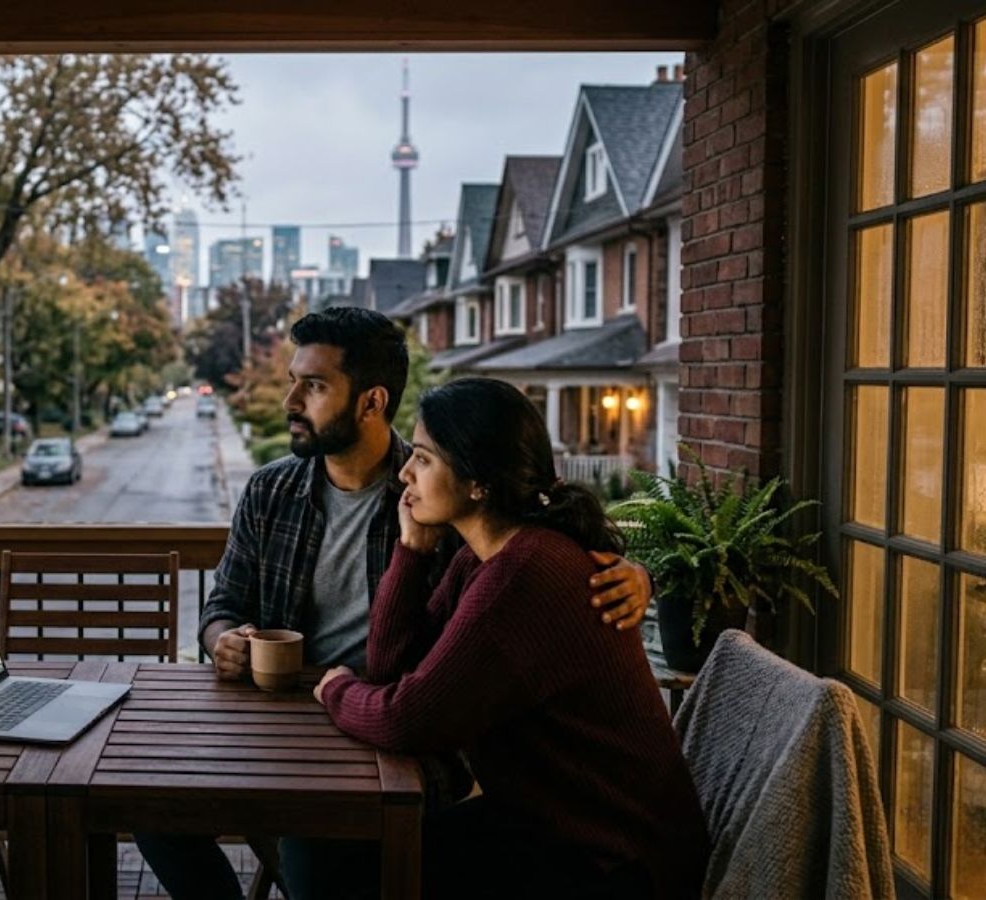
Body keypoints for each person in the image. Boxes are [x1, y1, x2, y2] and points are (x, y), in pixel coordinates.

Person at [135, 308, 656, 900]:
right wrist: (222, 637)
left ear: (370, 401)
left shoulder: (448, 500)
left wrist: (635, 574)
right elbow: (223, 603)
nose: (291, 400)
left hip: (417, 742)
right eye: (292, 381)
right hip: (289, 718)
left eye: (315, 385)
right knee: (153, 798)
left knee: (319, 843)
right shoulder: (281, 492)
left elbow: (545, 546)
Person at [316, 377, 708, 898]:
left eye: (426, 458)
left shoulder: (524, 573)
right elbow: (393, 669)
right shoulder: (481, 561)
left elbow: (409, 720)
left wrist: (335, 691)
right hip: (551, 827)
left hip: (618, 860)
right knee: (356, 865)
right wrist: (412, 549)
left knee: (360, 876)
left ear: (478, 481)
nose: (405, 470)